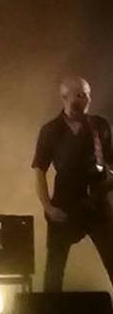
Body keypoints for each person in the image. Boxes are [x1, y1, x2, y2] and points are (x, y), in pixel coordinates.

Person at [32, 76, 113, 291]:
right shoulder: (50, 130)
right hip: (65, 204)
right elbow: (39, 171)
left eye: (87, 95)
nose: (85, 100)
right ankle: (50, 310)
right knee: (55, 269)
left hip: (98, 203)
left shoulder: (99, 126)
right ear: (64, 97)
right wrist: (48, 207)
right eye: (79, 95)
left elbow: (111, 160)